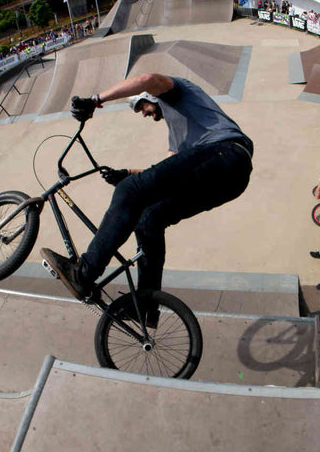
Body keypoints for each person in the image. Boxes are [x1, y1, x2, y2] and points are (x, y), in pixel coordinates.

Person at [41, 73, 254, 300]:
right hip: (229, 179)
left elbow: (148, 78)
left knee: (129, 191)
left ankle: (83, 273)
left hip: (227, 153)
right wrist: (126, 173)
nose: (143, 113)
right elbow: (163, 172)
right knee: (148, 219)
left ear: (150, 96)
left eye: (140, 106)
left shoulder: (175, 92)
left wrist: (94, 100)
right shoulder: (177, 138)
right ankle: (145, 304)